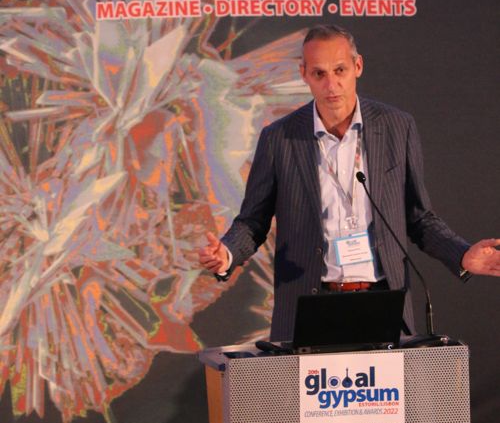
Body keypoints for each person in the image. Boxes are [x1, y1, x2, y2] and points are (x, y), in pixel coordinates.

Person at [198, 24, 500, 341]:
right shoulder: (279, 138)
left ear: (357, 66)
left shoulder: (397, 127)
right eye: (319, 74)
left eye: (340, 70)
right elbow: (253, 221)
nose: (331, 85)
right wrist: (227, 253)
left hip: (383, 301)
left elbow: (419, 217)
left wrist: (461, 254)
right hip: (309, 304)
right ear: (303, 74)